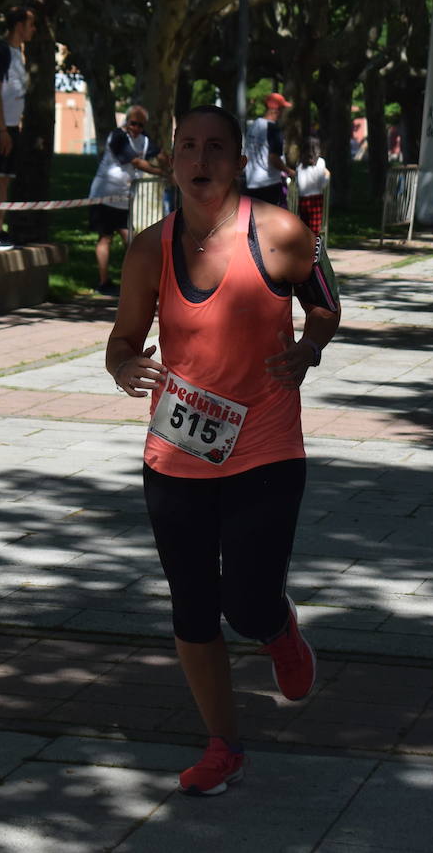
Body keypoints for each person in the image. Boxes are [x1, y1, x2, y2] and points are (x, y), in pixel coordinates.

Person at [105, 104, 340, 797]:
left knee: (247, 600)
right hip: (175, 452)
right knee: (192, 608)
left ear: (241, 163)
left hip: (265, 448)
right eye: (187, 148)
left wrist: (309, 348)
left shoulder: (283, 234)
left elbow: (326, 305)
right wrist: (122, 367)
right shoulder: (150, 249)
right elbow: (121, 338)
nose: (200, 159)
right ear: (171, 162)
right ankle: (223, 745)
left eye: (215, 148)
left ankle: (279, 632)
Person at [87, 105, 162, 297]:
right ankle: (103, 282)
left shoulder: (144, 140)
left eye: (140, 125)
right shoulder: (118, 137)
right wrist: (163, 174)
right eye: (133, 123)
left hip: (123, 197)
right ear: (126, 121)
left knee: (132, 241)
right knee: (105, 238)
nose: (136, 128)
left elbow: (160, 155)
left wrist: (174, 164)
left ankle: (134, 281)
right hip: (104, 193)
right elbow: (136, 162)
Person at [0, 6, 36, 251]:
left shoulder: (17, 53)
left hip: (11, 126)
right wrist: (1, 129)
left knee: (5, 179)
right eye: (31, 24)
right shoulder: (0, 51)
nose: (33, 30)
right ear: (19, 26)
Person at [242, 92, 294, 207]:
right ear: (277, 110)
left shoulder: (253, 125)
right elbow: (273, 158)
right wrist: (289, 171)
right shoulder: (273, 129)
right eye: (283, 109)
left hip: (251, 183)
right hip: (269, 183)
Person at [294, 136, 329, 237]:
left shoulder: (300, 163)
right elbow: (322, 184)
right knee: (314, 230)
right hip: (316, 198)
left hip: (303, 198)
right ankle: (314, 251)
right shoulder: (320, 162)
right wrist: (327, 176)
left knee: (304, 228)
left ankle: (304, 250)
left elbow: (297, 183)